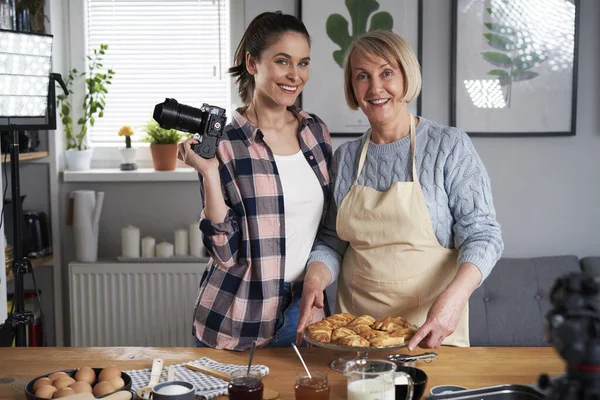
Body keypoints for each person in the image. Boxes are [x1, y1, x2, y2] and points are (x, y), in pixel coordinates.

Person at [296, 30, 503, 350]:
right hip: (356, 335)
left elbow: (483, 235)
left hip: (430, 329)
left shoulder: (449, 146)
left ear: (407, 77)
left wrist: (455, 299)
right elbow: (331, 240)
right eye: (362, 76)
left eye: (387, 72)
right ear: (353, 87)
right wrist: (315, 281)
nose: (375, 87)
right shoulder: (346, 158)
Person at [177, 11, 332, 351]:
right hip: (237, 318)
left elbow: (328, 229)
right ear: (252, 62)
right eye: (282, 61)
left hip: (305, 313)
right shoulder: (224, 142)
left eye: (303, 63)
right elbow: (223, 252)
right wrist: (208, 173)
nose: (295, 75)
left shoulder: (315, 132)